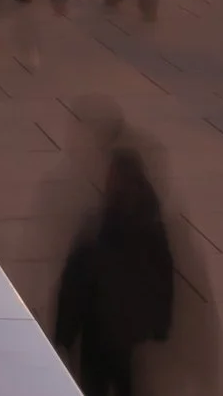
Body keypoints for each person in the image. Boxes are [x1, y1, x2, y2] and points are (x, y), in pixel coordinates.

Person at [53, 146, 176, 396]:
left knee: (96, 383)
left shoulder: (100, 229)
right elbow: (163, 280)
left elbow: (76, 284)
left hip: (101, 331)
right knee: (122, 383)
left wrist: (63, 333)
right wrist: (159, 324)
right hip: (126, 331)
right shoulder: (150, 226)